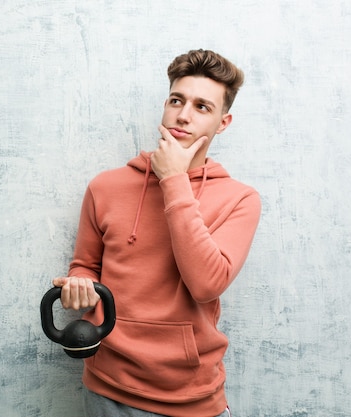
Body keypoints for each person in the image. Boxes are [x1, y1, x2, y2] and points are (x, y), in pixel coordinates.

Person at [52, 49, 261, 417]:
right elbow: (85, 266)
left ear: (223, 123)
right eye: (177, 100)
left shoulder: (240, 199)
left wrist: (174, 180)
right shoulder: (106, 187)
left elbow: (206, 285)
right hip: (108, 388)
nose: (183, 115)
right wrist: (78, 286)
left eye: (202, 107)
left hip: (192, 397)